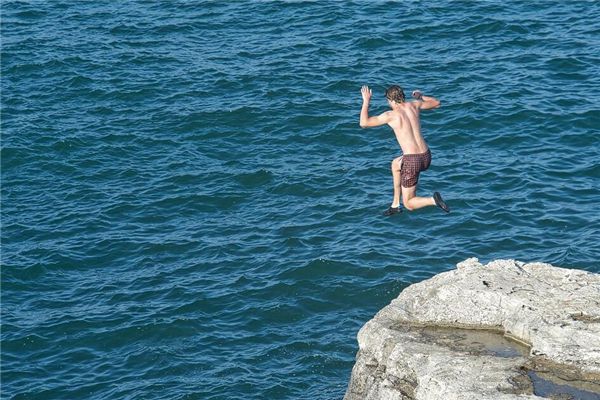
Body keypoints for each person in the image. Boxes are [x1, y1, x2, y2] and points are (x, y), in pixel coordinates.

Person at [359, 85, 449, 216]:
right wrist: (420, 96)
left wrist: (366, 101)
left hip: (412, 161)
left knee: (409, 204)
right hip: (426, 156)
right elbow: (436, 103)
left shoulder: (390, 115)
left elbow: (364, 123)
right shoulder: (414, 105)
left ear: (391, 100)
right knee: (395, 164)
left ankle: (433, 200)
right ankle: (395, 204)